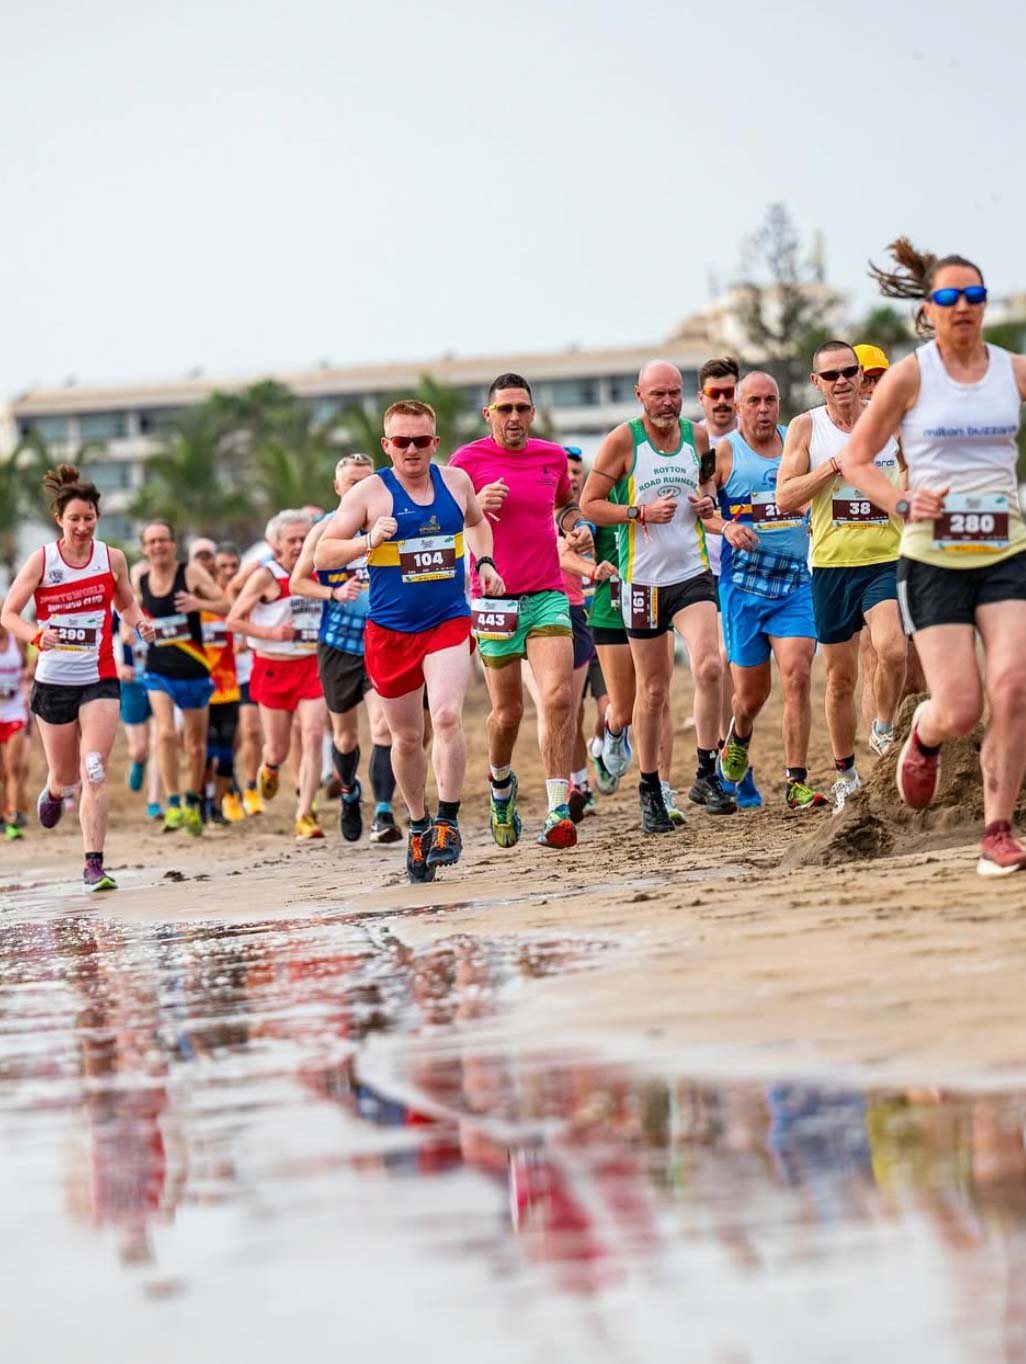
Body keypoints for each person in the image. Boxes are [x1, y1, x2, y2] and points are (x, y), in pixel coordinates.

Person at [836, 237, 1026, 875]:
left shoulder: (1011, 369)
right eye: (949, 297)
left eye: (974, 296)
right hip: (935, 558)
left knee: (1014, 687)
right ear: (929, 310)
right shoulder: (911, 376)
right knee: (963, 705)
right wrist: (900, 502)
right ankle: (925, 732)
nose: (964, 306)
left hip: (1005, 549)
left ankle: (996, 830)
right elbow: (855, 460)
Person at [316, 399, 504, 881]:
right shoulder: (369, 494)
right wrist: (366, 541)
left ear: (435, 443)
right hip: (391, 630)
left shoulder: (456, 482)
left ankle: (447, 821)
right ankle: (418, 825)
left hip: (447, 619)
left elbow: (478, 523)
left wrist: (484, 565)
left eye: (422, 440)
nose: (413, 449)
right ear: (387, 445)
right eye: (402, 442)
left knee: (444, 715)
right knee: (404, 736)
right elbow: (322, 554)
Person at [581, 359, 735, 833]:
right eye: (658, 394)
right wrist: (637, 511)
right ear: (639, 395)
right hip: (642, 581)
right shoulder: (623, 441)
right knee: (653, 690)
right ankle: (649, 787)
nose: (667, 402)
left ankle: (706, 772)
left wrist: (713, 510)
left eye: (674, 393)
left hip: (691, 573)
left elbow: (706, 499)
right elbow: (590, 504)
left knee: (709, 665)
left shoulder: (698, 438)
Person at [450, 374, 593, 849]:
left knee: (557, 697)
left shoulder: (551, 457)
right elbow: (451, 523)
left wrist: (577, 528)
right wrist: (477, 505)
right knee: (507, 713)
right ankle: (500, 783)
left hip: (548, 592)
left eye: (522, 408)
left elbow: (565, 505)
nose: (514, 418)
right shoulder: (466, 462)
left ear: (533, 413)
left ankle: (557, 809)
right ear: (488, 414)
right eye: (504, 409)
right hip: (493, 599)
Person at [1, 465, 156, 890]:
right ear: (60, 520)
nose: (83, 527)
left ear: (97, 518)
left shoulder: (112, 559)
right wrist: (36, 634)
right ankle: (52, 793)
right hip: (53, 682)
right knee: (65, 776)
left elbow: (127, 605)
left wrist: (140, 623)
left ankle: (93, 864)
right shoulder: (43, 560)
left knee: (95, 769)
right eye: (75, 519)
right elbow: (8, 615)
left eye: (89, 518)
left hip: (99, 675)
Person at [776, 341, 907, 809]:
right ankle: (844, 769)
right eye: (830, 375)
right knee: (840, 680)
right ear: (817, 382)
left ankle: (884, 728)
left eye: (848, 371)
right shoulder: (806, 427)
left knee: (892, 648)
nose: (842, 381)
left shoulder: (889, 417)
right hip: (831, 565)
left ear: (859, 373)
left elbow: (911, 469)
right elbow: (785, 498)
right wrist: (834, 466)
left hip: (885, 557)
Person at [702, 372, 828, 812]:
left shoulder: (798, 443)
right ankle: (739, 734)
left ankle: (796, 780)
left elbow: (817, 493)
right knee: (752, 696)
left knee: (797, 674)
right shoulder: (722, 453)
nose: (763, 409)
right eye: (753, 401)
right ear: (738, 408)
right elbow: (703, 512)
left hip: (794, 581)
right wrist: (727, 525)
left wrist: (817, 513)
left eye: (770, 400)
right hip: (744, 587)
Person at [291, 453, 403, 845]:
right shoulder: (323, 531)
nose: (359, 488)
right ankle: (350, 793)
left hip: (382, 638)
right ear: (338, 489)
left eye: (366, 480)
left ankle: (384, 812)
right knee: (344, 739)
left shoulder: (391, 523)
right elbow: (297, 583)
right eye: (351, 483)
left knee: (383, 727)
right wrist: (334, 592)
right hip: (337, 644)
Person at [226, 510, 326, 840]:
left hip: (312, 664)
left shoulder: (320, 570)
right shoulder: (265, 576)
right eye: (291, 540)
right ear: (275, 544)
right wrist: (271, 634)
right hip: (272, 666)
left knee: (312, 735)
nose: (298, 546)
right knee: (278, 749)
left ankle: (305, 813)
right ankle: (269, 767)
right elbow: (234, 621)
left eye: (303, 539)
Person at [131, 521, 229, 835]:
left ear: (173, 543)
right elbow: (129, 612)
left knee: (196, 745)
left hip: (195, 668)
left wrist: (199, 603)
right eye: (151, 542)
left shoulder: (190, 573)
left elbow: (226, 604)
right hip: (159, 669)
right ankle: (172, 801)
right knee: (166, 733)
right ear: (144, 548)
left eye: (162, 540)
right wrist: (137, 629)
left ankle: (192, 799)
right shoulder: (140, 578)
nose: (157, 546)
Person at [696, 356, 759, 802]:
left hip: (752, 568)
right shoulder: (695, 444)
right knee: (717, 660)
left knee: (745, 672)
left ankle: (735, 750)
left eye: (729, 393)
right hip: (704, 569)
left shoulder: (753, 440)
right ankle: (726, 762)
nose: (723, 401)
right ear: (702, 398)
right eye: (714, 394)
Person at [186, 538, 242, 826]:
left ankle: (218, 804)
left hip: (228, 686)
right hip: (200, 686)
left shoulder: (224, 600)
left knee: (227, 754)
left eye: (211, 560)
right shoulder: (188, 604)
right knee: (205, 755)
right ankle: (199, 803)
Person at [216, 542, 263, 815]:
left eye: (234, 566)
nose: (229, 571)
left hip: (246, 672)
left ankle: (251, 788)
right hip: (220, 677)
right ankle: (229, 791)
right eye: (223, 566)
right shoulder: (209, 596)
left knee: (252, 731)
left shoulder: (249, 592)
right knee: (228, 739)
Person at [0, 606, 29, 839]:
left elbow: (29, 664)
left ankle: (12, 816)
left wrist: (29, 673)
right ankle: (3, 813)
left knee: (13, 766)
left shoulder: (16, 639)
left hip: (15, 711)